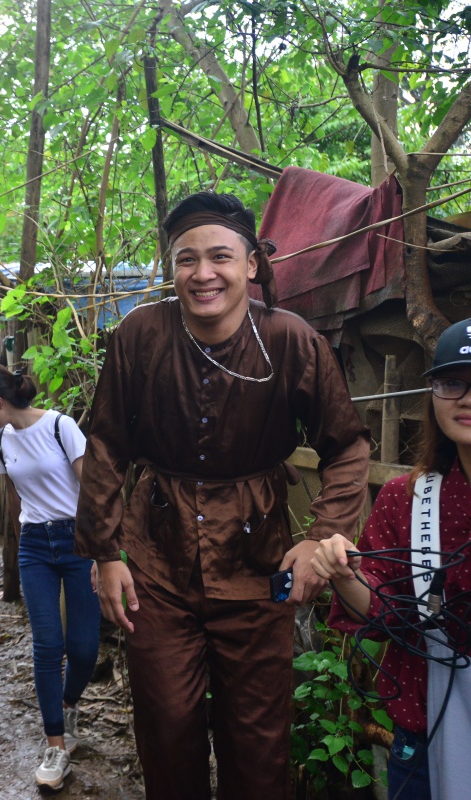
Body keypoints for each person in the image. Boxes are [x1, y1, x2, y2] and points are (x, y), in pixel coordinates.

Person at [76, 191, 371, 799]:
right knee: (167, 726)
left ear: (252, 264)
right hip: (157, 561)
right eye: (187, 259)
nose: (203, 274)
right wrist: (105, 555)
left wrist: (319, 537)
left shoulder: (291, 341)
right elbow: (105, 446)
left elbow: (346, 446)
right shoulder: (139, 336)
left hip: (260, 561)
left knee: (259, 738)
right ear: (170, 268)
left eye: (220, 257)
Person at [313, 318, 471, 800]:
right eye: (452, 383)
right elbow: (380, 613)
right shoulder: (408, 498)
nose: (465, 398)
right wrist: (344, 574)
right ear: (432, 394)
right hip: (425, 730)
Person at [0, 360, 99, 791]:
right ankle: (55, 744)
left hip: (79, 543)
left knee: (84, 649)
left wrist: (101, 554)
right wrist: (24, 543)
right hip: (36, 547)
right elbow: (14, 500)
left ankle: (68, 704)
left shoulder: (61, 427)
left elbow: (92, 493)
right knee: (47, 645)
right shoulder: (2, 440)